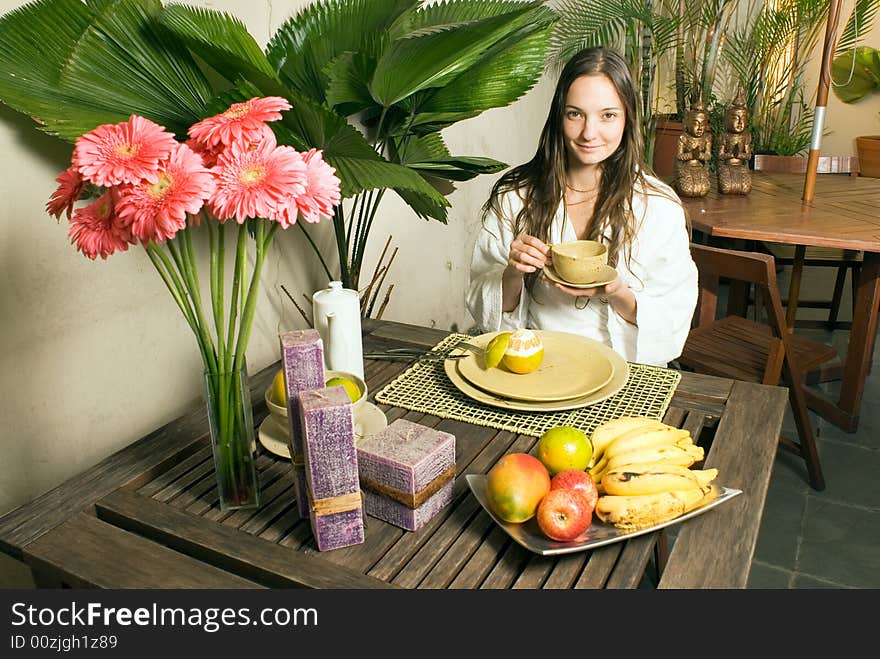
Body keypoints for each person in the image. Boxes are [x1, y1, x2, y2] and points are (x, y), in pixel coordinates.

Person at [466, 46, 698, 367]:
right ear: (559, 116)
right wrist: (513, 273)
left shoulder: (657, 207)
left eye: (608, 115)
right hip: (535, 362)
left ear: (628, 118)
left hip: (622, 368)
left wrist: (618, 292)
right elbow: (484, 307)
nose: (590, 133)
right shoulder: (516, 196)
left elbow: (674, 316)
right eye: (575, 114)